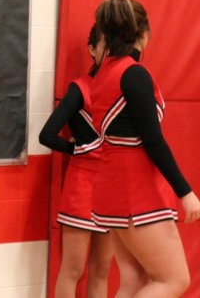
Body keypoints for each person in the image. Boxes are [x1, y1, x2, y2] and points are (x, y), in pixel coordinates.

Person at [90, 0, 200, 297]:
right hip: (135, 189)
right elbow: (152, 140)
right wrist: (185, 192)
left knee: (134, 281)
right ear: (142, 33)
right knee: (174, 280)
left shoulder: (103, 73)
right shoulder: (133, 74)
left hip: (111, 184)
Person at [39, 24, 114, 298]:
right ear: (92, 49)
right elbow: (46, 135)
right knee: (73, 270)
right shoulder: (80, 89)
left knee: (102, 270)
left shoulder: (124, 88)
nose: (111, 51)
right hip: (82, 186)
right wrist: (77, 149)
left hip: (112, 188)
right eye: (105, 45)